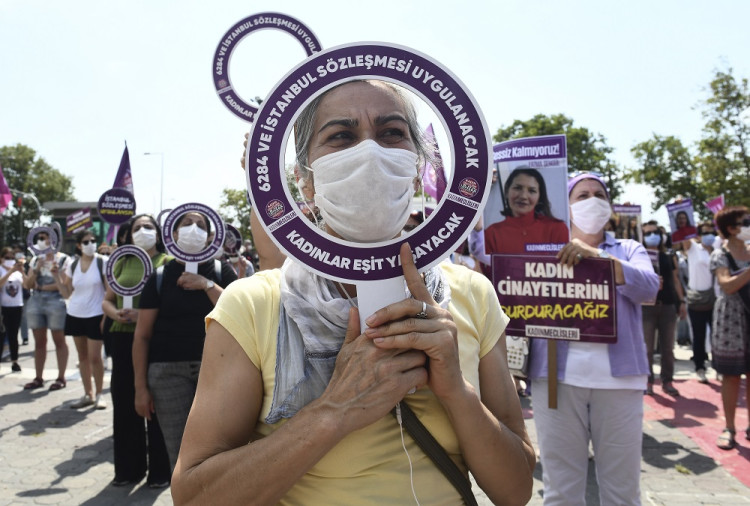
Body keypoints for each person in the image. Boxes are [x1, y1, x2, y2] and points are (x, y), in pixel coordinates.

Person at [171, 80, 535, 505]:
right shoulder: (252, 305)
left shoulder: (471, 294)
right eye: (341, 136)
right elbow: (195, 496)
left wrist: (455, 389)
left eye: (392, 133)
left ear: (418, 166)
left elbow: (516, 491)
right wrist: (334, 411)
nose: (370, 151)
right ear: (303, 181)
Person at [528, 173, 659, 505]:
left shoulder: (628, 249)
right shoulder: (545, 247)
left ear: (610, 205)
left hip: (620, 382)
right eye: (581, 195)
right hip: (556, 380)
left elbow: (648, 287)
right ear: (566, 206)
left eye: (599, 194)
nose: (592, 201)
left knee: (622, 490)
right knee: (560, 488)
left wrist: (597, 258)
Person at [133, 210, 237, 471]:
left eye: (200, 225)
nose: (193, 228)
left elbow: (239, 311)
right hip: (167, 373)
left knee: (218, 451)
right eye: (187, 223)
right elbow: (142, 335)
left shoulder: (220, 270)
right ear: (174, 233)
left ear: (209, 236)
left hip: (216, 372)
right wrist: (140, 388)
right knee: (180, 455)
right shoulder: (159, 276)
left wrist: (207, 284)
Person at [101, 214, 172, 487]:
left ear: (157, 232)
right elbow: (107, 300)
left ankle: (160, 472)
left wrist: (142, 315)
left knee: (157, 405)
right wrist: (116, 314)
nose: (143, 231)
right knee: (124, 402)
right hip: (122, 340)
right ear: (128, 235)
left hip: (154, 341)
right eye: (137, 228)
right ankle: (129, 470)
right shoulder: (120, 262)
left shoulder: (167, 263)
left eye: (148, 227)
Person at [710, 206, 750, 450]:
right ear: (730, 228)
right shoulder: (719, 254)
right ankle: (730, 427)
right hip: (731, 319)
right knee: (731, 374)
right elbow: (727, 285)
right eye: (744, 221)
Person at [60, 230, 108, 409]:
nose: (90, 244)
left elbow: (109, 290)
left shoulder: (102, 262)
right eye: (86, 241)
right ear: (79, 245)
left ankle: (100, 394)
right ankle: (88, 393)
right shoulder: (72, 265)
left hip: (96, 314)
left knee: (95, 357)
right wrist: (57, 276)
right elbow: (67, 292)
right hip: (75, 314)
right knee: (82, 357)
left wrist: (105, 316)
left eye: (93, 240)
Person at [641, 221, 686, 396]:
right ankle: (648, 381)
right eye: (648, 233)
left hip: (668, 306)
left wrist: (681, 302)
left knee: (668, 348)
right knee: (647, 348)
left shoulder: (669, 256)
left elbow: (675, 280)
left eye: (655, 232)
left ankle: (667, 381)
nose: (652, 236)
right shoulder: (640, 256)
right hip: (646, 308)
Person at [22, 230, 70, 391]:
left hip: (56, 301)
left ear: (53, 239)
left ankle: (61, 377)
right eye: (40, 238)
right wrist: (36, 269)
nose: (42, 241)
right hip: (36, 301)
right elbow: (28, 285)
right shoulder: (36, 259)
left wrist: (42, 286)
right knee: (39, 342)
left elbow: (63, 284)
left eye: (44, 238)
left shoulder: (63, 259)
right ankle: (38, 377)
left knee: (59, 340)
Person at [484, 166, 569, 255]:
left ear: (539, 197)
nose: (523, 196)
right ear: (506, 192)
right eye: (518, 188)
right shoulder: (491, 233)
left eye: (532, 191)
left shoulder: (557, 229)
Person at [682, 220, 719, 383]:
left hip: (717, 299)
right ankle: (700, 367)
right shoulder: (693, 248)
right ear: (698, 235)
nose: (708, 235)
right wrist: (682, 212)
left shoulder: (718, 248)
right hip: (697, 299)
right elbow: (683, 234)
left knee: (717, 336)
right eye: (704, 232)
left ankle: (719, 367)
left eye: (711, 232)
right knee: (699, 336)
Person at [0, 247, 28, 373]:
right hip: (3, 307)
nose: (10, 260)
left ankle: (14, 361)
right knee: (2, 335)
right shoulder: (1, 269)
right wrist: (10, 271)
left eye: (12, 258)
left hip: (17, 306)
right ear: (1, 259)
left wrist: (21, 271)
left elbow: (27, 285)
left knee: (13, 335)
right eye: (7, 257)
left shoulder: (17, 272)